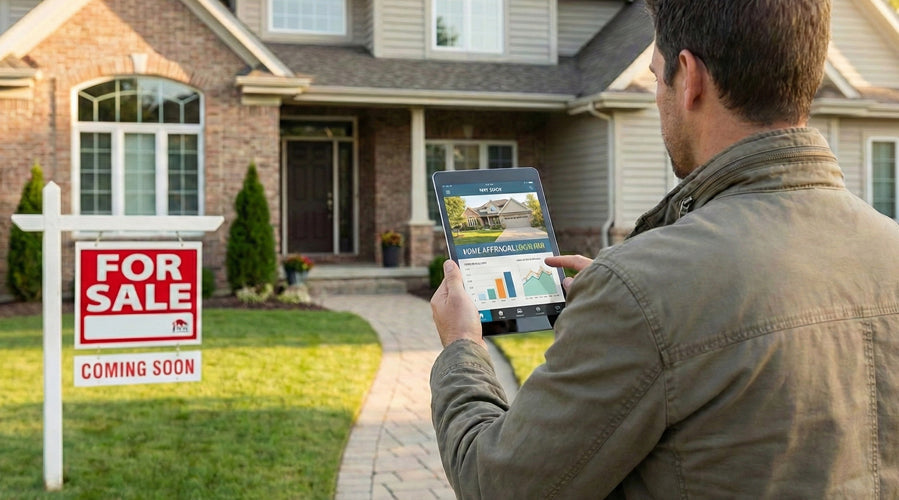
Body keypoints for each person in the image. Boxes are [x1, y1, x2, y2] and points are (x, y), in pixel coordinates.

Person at [429, 0, 899, 497]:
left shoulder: (644, 291)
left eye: (657, 76)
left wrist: (463, 345)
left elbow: (497, 484)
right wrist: (625, 298)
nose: (658, 96)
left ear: (689, 77)